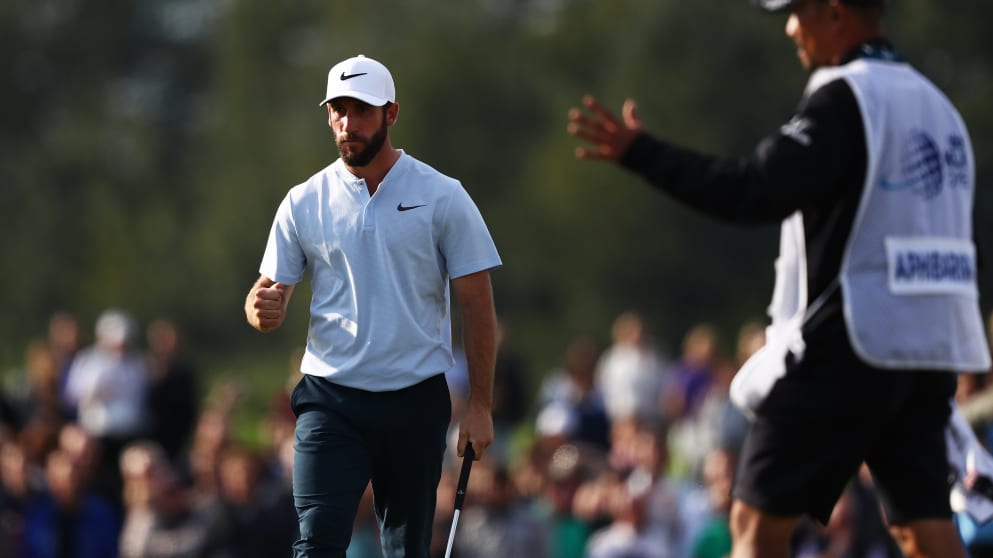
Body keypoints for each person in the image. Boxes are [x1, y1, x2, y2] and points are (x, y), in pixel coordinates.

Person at [566, 1, 991, 557]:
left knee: (754, 524)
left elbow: (754, 190)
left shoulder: (845, 96)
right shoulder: (939, 106)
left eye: (798, 10)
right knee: (924, 528)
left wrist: (644, 154)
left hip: (853, 340)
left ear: (835, 12)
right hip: (931, 347)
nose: (791, 26)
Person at [245, 54, 502, 557]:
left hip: (414, 398)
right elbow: (268, 293)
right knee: (315, 544)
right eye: (338, 110)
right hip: (330, 399)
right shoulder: (303, 200)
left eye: (361, 111)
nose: (348, 123)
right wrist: (261, 308)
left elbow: (476, 303)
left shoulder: (442, 195)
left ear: (391, 114)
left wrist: (481, 405)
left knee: (405, 548)